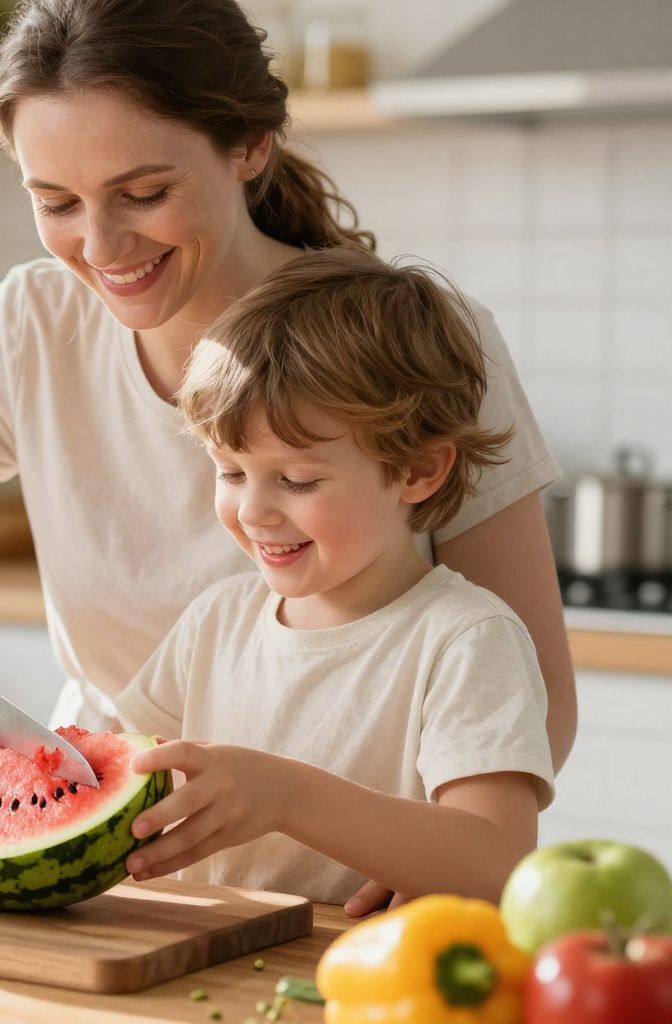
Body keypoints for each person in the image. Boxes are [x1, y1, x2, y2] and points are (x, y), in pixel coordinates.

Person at [0, 0, 574, 915]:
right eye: (56, 203)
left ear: (250, 146)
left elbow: (531, 692)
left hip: (361, 907)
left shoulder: (410, 345)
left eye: (145, 193)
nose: (101, 247)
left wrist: (421, 846)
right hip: (137, 880)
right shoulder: (33, 325)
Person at [112, 246, 553, 904]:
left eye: (296, 480)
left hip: (366, 966)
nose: (252, 511)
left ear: (417, 470)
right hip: (208, 959)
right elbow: (114, 772)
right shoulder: (217, 620)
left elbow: (499, 863)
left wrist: (288, 796)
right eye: (230, 471)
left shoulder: (465, 639)